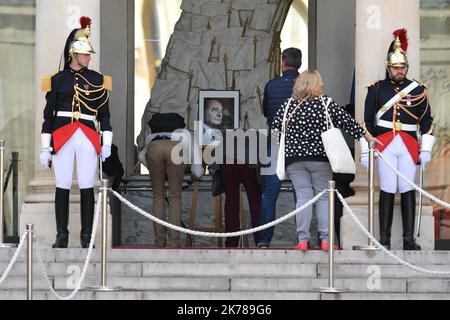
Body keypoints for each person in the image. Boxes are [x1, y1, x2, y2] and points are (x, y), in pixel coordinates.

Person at [272, 70, 380, 250]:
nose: (323, 84)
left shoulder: (288, 104)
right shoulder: (325, 103)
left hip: (294, 160)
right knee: (323, 199)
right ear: (316, 84)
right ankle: (325, 240)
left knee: (303, 198)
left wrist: (290, 143)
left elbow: (275, 128)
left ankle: (303, 240)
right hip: (320, 159)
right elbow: (348, 122)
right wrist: (368, 137)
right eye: (320, 82)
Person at [39, 17, 113, 248]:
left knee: (86, 185)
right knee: (61, 184)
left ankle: (86, 236)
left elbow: (105, 115)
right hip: (62, 134)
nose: (88, 58)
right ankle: (62, 235)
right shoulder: (56, 80)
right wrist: (45, 146)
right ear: (73, 54)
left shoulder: (98, 79)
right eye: (85, 54)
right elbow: (48, 116)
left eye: (89, 55)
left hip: (88, 135)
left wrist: (107, 142)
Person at [361, 29, 434, 250]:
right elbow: (367, 122)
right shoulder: (376, 89)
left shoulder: (418, 89)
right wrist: (367, 150)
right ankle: (384, 239)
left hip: (410, 143)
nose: (400, 71)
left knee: (407, 188)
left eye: (403, 67)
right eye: (396, 67)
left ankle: (408, 239)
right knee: (387, 188)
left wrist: (427, 149)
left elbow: (427, 121)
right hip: (385, 143)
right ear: (388, 67)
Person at [258, 47, 302, 248]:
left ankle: (264, 241)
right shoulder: (308, 86)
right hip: (301, 144)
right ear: (299, 64)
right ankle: (302, 239)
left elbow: (267, 111)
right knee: (301, 194)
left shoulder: (271, 85)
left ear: (282, 63)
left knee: (270, 194)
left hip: (276, 141)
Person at [145, 113, 190, 247]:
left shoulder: (151, 131)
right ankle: (174, 242)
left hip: (154, 147)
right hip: (176, 148)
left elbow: (142, 150)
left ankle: (159, 242)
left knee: (158, 196)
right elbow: (197, 167)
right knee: (175, 196)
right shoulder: (183, 131)